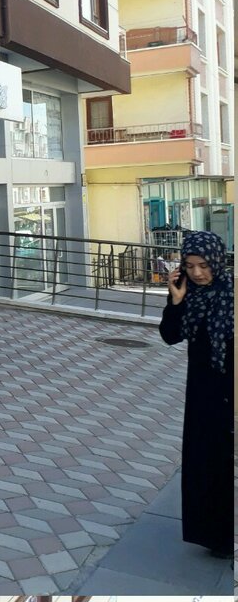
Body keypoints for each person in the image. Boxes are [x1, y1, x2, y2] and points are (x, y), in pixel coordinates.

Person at [159, 230, 233, 558]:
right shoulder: (188, 294)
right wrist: (176, 301)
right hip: (203, 394)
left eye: (203, 265)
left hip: (229, 391)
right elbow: (170, 336)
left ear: (217, 260)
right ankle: (214, 537)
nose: (198, 273)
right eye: (189, 266)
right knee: (206, 461)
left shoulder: (231, 292)